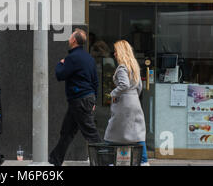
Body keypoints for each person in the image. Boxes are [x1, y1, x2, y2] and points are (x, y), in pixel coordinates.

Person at [49, 29, 101, 166]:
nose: (68, 39)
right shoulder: (89, 58)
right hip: (84, 99)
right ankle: (55, 159)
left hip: (79, 99)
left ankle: (103, 161)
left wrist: (60, 63)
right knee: (67, 132)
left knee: (90, 132)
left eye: (70, 36)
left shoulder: (72, 58)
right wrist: (94, 98)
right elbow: (95, 81)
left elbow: (60, 75)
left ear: (74, 40)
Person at [104, 40, 149, 166]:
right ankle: (144, 161)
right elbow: (139, 86)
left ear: (121, 52)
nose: (114, 54)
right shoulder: (134, 67)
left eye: (116, 51)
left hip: (124, 104)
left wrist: (113, 94)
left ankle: (108, 160)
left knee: (112, 133)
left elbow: (124, 85)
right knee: (137, 133)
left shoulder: (122, 68)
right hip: (134, 102)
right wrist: (133, 96)